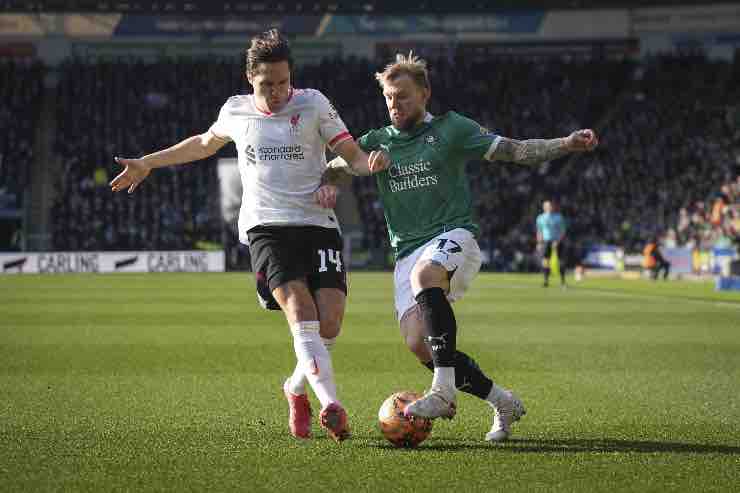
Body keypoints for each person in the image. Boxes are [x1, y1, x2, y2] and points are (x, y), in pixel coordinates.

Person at [109, 29, 388, 442]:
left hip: (317, 224)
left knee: (329, 322)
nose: (277, 91)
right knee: (301, 311)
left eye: (283, 82)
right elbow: (203, 143)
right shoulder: (236, 111)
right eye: (266, 84)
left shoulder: (314, 103)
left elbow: (350, 154)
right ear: (250, 80)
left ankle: (295, 388)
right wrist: (149, 163)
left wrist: (370, 164)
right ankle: (332, 404)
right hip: (266, 226)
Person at [327, 52, 598, 441]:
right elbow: (335, 168)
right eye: (388, 97)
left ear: (425, 94)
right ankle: (501, 400)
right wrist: (343, 175)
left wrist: (566, 143)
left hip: (454, 236)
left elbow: (516, 150)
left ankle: (441, 391)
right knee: (420, 344)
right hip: (406, 252)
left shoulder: (452, 129)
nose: (394, 104)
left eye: (403, 96)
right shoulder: (376, 141)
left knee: (427, 276)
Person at [536, 200, 568, 288]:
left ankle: (563, 281)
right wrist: (539, 243)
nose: (550, 207)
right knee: (545, 261)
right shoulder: (540, 218)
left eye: (551, 206)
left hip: (557, 241)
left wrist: (558, 241)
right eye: (548, 206)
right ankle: (546, 281)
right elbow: (539, 231)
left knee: (561, 261)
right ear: (544, 207)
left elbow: (563, 231)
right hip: (546, 241)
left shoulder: (558, 217)